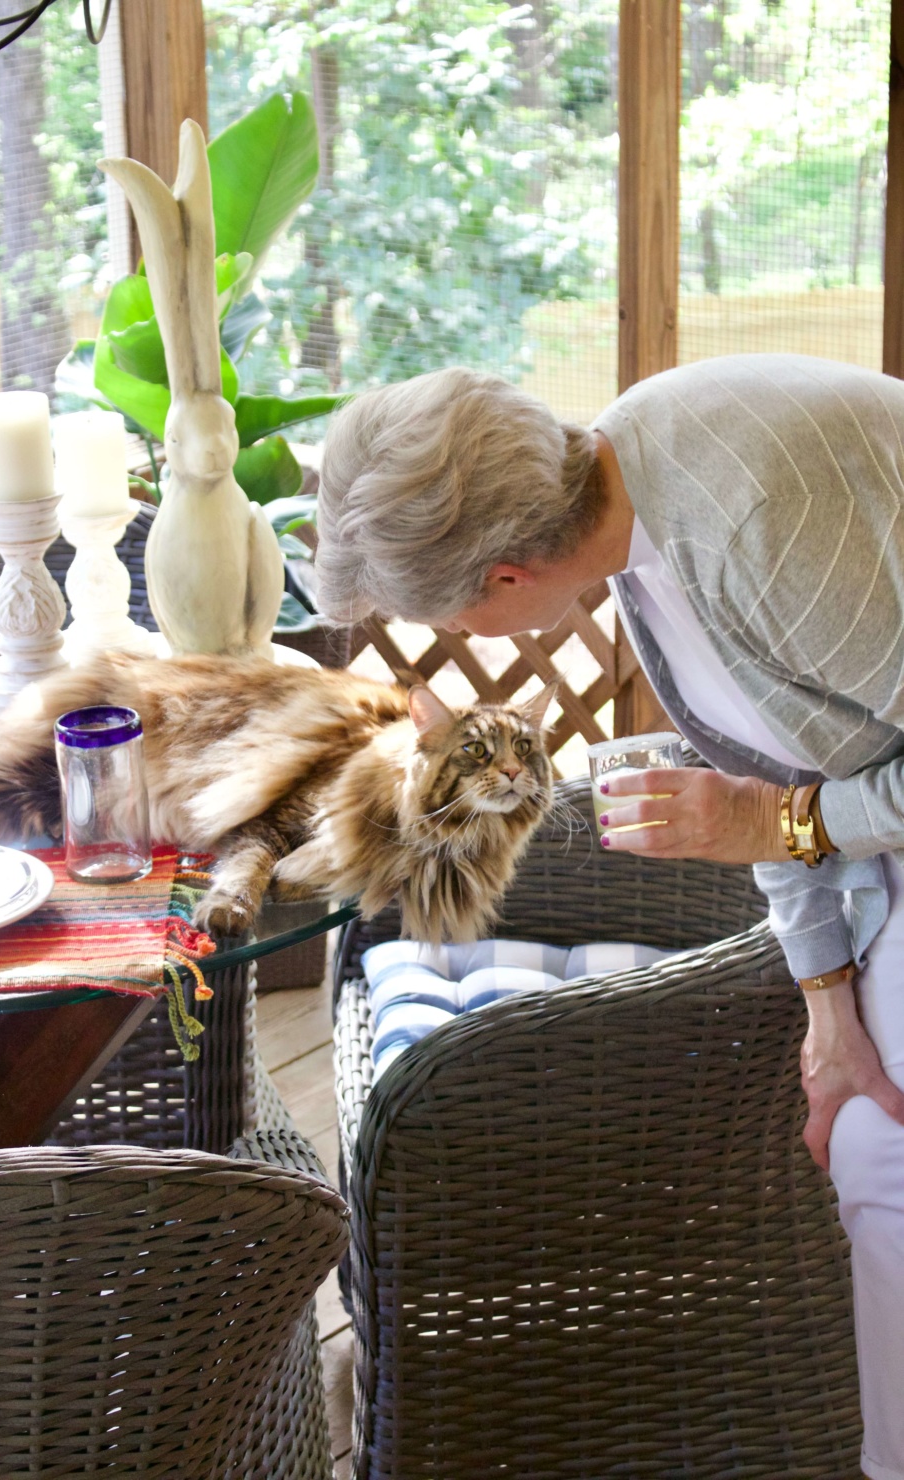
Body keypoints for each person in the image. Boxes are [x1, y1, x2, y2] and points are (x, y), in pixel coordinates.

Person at [314, 353, 904, 1480]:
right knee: (863, 1137)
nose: (466, 643)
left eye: (440, 616)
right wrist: (826, 998)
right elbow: (764, 763)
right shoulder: (626, 488)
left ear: (503, 579)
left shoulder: (753, 522)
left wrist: (779, 827)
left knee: (886, 1163)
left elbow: (770, 809)